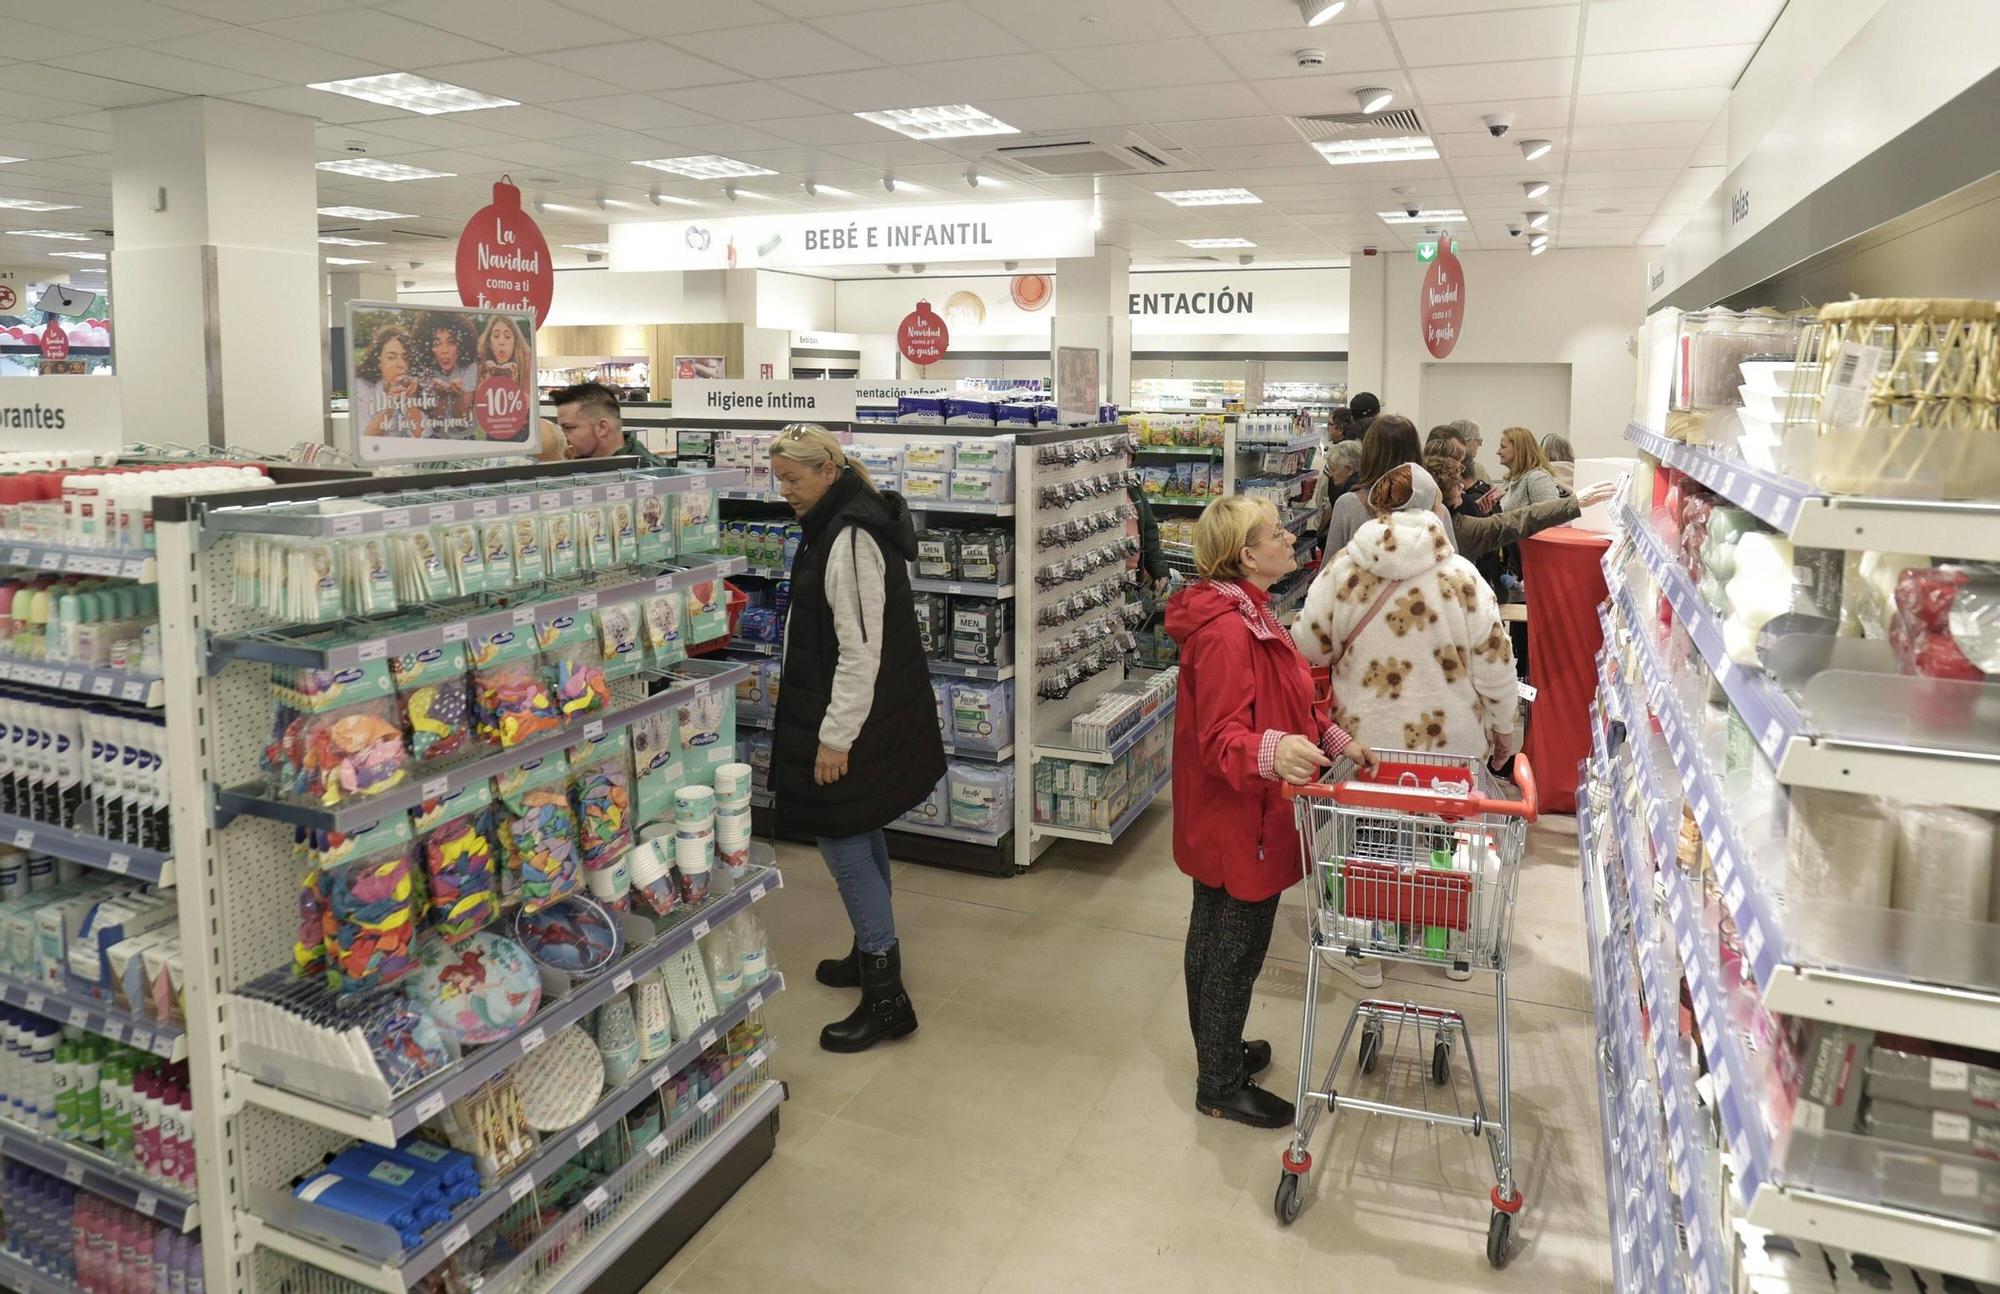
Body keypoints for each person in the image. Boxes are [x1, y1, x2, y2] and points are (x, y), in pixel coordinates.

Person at [1166, 494, 1375, 1128]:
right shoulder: (1230, 633)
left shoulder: (1251, 613)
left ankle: (1219, 1048)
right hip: (1240, 817)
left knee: (1213, 929)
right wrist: (1273, 749)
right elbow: (1221, 735)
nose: (1290, 538)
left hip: (1235, 812)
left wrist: (1331, 740)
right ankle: (1220, 1083)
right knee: (1235, 947)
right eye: (1275, 533)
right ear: (1246, 555)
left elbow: (1288, 700)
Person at [768, 424, 945, 1054]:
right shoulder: (837, 523)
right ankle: (867, 947)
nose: (783, 490)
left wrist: (834, 738)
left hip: (852, 720)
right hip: (859, 713)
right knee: (861, 831)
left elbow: (860, 651)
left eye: (793, 478)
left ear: (829, 471)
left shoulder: (847, 537)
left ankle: (887, 996)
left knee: (841, 837)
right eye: (778, 478)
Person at [1426, 453, 1615, 563]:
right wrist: (1574, 502)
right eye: (1454, 483)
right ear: (1439, 492)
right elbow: (1521, 520)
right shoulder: (1458, 529)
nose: (1462, 486)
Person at [1320, 415, 1455, 555]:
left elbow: (1330, 566)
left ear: (1369, 454)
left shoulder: (1349, 505)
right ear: (1416, 452)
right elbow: (1453, 565)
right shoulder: (1436, 509)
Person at [550, 381, 666, 464]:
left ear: (602, 428)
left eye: (569, 428)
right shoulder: (585, 465)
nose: (563, 436)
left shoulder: (648, 476)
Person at [352, 323, 429, 439]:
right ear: (378, 362)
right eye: (391, 358)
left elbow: (422, 437)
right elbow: (365, 438)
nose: (401, 364)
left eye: (405, 358)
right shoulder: (361, 386)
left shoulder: (414, 386)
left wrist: (409, 401)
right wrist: (390, 407)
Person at [417, 312, 479, 435]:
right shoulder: (426, 372)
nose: (444, 350)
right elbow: (435, 427)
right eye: (436, 343)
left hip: (466, 441)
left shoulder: (470, 368)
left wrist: (457, 396)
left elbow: (461, 425)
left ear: (460, 345)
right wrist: (441, 397)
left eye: (451, 342)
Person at [1497, 426, 1562, 510]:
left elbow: (1552, 514)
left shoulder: (1537, 478)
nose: (1498, 452)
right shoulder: (1510, 479)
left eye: (1503, 447)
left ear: (1519, 449)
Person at [1449, 418, 1498, 485]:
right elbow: (1492, 494)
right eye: (1478, 440)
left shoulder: (1438, 465)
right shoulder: (1476, 468)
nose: (1480, 445)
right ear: (1465, 441)